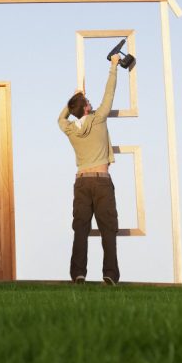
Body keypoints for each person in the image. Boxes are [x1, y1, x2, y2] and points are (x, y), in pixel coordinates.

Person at [58, 53, 121, 285]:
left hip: (82, 182)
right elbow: (109, 93)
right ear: (85, 107)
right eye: (86, 101)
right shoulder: (98, 118)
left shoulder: (71, 129)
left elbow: (60, 119)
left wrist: (71, 101)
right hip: (101, 180)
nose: (90, 101)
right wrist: (113, 66)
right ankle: (110, 274)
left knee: (81, 230)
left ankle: (78, 274)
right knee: (108, 231)